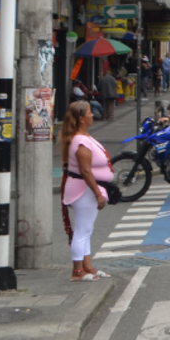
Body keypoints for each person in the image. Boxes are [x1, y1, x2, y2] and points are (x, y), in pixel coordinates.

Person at [60, 101, 111, 282]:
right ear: (81, 118)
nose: (92, 114)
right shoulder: (80, 141)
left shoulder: (83, 136)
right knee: (82, 231)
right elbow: (85, 170)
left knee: (87, 230)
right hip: (83, 190)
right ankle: (77, 271)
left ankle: (87, 266)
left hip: (86, 189)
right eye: (89, 112)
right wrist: (97, 193)